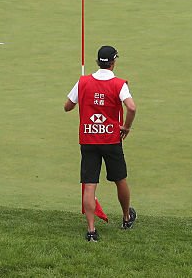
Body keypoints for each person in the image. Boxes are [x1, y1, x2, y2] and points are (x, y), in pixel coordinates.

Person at [64, 45, 137, 242]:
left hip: (88, 139)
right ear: (113, 62)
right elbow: (131, 107)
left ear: (98, 62)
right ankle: (126, 217)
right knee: (119, 179)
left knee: (89, 185)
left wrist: (81, 89)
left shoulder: (83, 82)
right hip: (111, 139)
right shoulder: (119, 84)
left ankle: (91, 230)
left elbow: (67, 107)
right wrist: (126, 127)